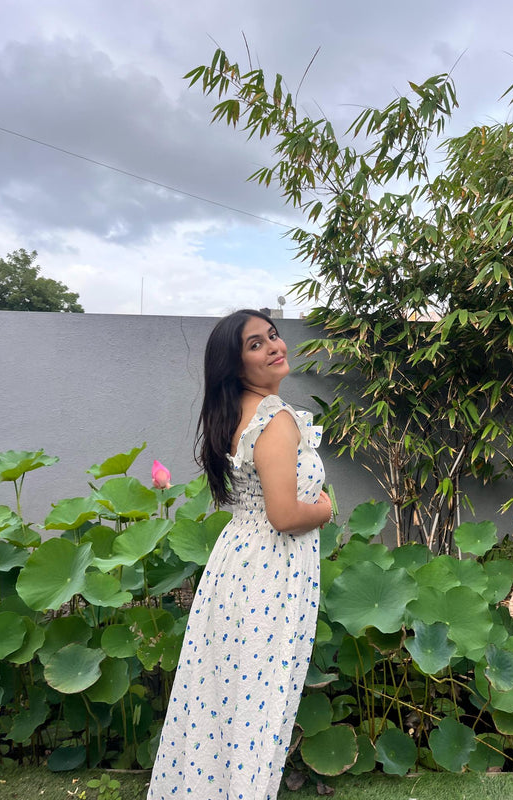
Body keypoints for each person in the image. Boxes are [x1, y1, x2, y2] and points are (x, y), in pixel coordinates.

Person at [148, 309, 332, 800]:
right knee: (260, 701)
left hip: (237, 564)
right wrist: (327, 509)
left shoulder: (235, 415)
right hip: (271, 571)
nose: (274, 346)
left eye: (273, 335)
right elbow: (286, 516)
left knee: (222, 694)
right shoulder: (275, 420)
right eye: (256, 344)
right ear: (234, 365)